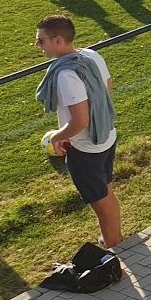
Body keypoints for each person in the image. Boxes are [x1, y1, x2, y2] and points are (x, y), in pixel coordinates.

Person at [35, 15, 123, 249]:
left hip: (85, 147)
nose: (37, 45)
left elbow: (81, 121)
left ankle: (115, 245)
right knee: (105, 190)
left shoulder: (66, 74)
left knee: (100, 201)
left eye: (41, 40)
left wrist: (57, 136)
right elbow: (107, 88)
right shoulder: (92, 55)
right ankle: (112, 236)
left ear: (58, 40)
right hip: (106, 135)